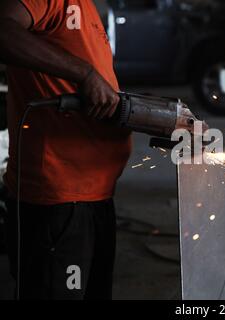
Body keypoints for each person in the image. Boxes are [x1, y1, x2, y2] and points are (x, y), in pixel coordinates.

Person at [0, 0, 131, 299]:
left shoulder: (86, 8)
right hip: (58, 199)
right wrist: (84, 74)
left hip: (93, 196)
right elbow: (3, 31)